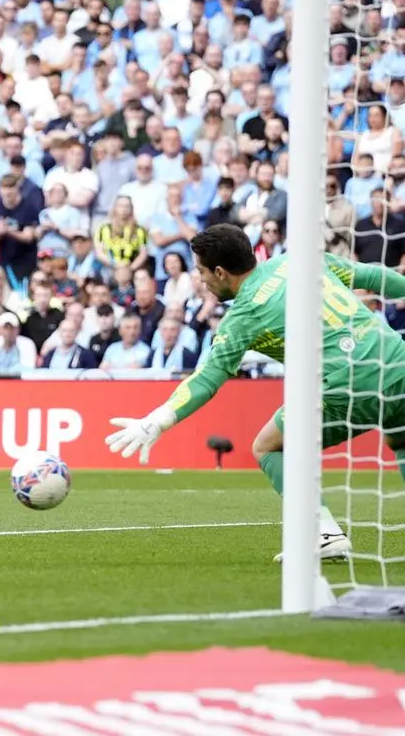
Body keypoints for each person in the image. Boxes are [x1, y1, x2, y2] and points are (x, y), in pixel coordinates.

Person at [107, 223, 405, 562]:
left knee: (267, 446)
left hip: (348, 382)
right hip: (396, 359)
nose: (202, 280)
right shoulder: (300, 260)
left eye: (203, 272)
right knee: (401, 438)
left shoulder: (243, 315)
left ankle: (321, 533)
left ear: (220, 272)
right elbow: (373, 276)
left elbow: (206, 379)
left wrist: (158, 420)